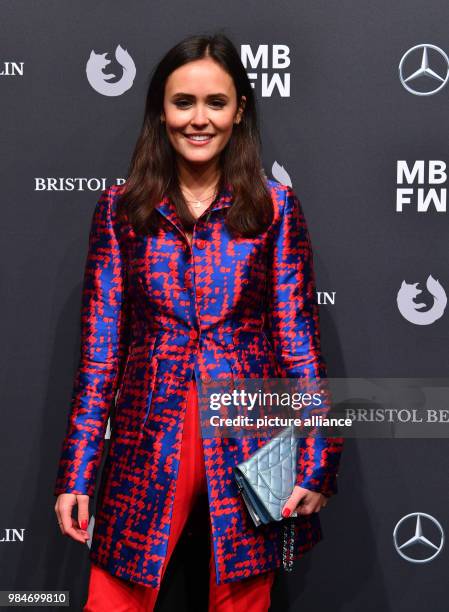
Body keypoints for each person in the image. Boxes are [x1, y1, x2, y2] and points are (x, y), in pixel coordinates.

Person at [53, 31, 343, 611]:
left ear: (239, 113)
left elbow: (298, 342)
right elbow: (101, 353)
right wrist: (77, 472)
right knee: (114, 598)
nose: (199, 119)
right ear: (160, 113)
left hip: (250, 431)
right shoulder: (120, 208)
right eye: (183, 102)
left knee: (240, 598)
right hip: (147, 431)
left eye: (216, 103)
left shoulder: (274, 205)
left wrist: (317, 456)